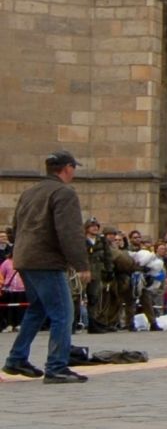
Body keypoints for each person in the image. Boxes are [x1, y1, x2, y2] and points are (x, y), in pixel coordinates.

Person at [3, 150, 91, 383]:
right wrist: (81, 264)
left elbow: (15, 226)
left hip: (24, 258)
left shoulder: (29, 191)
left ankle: (16, 359)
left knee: (38, 309)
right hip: (46, 261)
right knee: (63, 313)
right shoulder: (64, 192)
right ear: (68, 168)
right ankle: (57, 366)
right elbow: (69, 231)